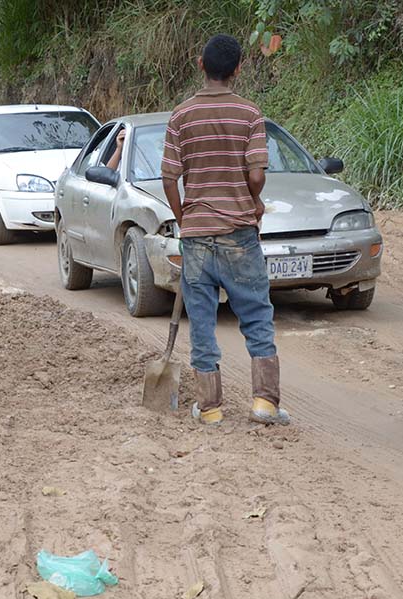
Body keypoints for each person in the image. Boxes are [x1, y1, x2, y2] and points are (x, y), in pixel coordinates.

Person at [161, 34, 287, 426]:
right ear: (238, 68)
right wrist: (254, 200)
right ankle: (264, 404)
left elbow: (169, 178)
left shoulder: (180, 116)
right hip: (239, 233)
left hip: (197, 236)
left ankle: (211, 408)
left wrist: (185, 219)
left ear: (201, 64)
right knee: (256, 316)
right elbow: (256, 173)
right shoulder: (250, 115)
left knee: (201, 321)